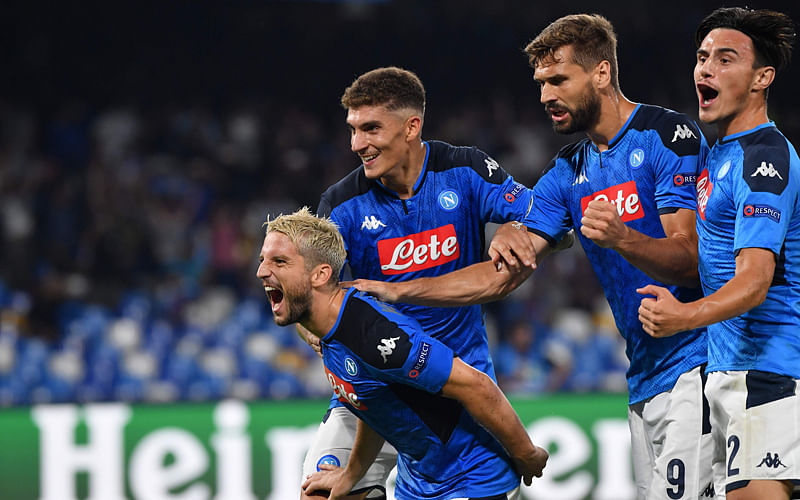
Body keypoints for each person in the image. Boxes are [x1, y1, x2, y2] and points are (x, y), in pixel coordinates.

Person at [348, 15, 715, 500]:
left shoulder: (668, 136)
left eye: (558, 80)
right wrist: (400, 288)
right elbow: (499, 278)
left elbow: (690, 260)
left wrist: (623, 237)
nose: (545, 96)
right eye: (541, 84)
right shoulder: (567, 172)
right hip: (644, 377)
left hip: (697, 364)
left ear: (602, 74)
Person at [299, 66, 542, 499]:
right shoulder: (341, 204)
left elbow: (550, 221)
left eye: (371, 128)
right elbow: (305, 296)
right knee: (319, 494)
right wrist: (326, 336)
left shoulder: (464, 168)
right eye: (353, 130)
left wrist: (515, 227)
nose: (357, 144)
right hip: (375, 386)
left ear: (412, 126)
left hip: (451, 389)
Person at [256, 207, 548, 500]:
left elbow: (476, 385)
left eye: (279, 262)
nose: (261, 272)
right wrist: (351, 475)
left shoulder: (373, 335)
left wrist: (527, 454)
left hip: (471, 481)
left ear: (320, 274)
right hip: (421, 482)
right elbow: (375, 407)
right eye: (263, 261)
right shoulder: (330, 330)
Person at [637, 7, 799, 500]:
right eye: (702, 57)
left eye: (725, 59)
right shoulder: (721, 153)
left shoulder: (763, 159)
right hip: (728, 372)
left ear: (761, 78)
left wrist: (684, 316)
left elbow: (755, 280)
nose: (705, 69)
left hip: (769, 371)